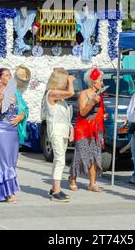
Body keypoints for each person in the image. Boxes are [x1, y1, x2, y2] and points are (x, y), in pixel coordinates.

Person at [0, 68, 29, 203]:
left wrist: (21, 116)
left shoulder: (14, 92)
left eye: (10, 75)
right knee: (3, 162)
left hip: (12, 131)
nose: (10, 77)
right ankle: (9, 192)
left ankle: (1, 189)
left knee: (11, 161)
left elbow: (23, 109)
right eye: (6, 75)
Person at [69, 67, 107, 192]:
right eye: (100, 80)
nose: (102, 83)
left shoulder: (99, 95)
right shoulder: (84, 94)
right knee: (81, 154)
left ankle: (92, 183)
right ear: (93, 81)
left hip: (96, 129)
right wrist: (91, 102)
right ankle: (73, 178)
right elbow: (83, 112)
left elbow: (100, 111)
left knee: (95, 155)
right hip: (83, 128)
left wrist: (103, 115)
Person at [44, 68, 75, 202]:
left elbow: (65, 116)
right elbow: (71, 92)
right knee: (60, 160)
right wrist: (70, 81)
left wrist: (70, 128)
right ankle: (56, 190)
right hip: (55, 130)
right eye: (64, 81)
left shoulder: (60, 99)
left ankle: (54, 188)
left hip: (62, 130)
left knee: (59, 160)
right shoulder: (51, 93)